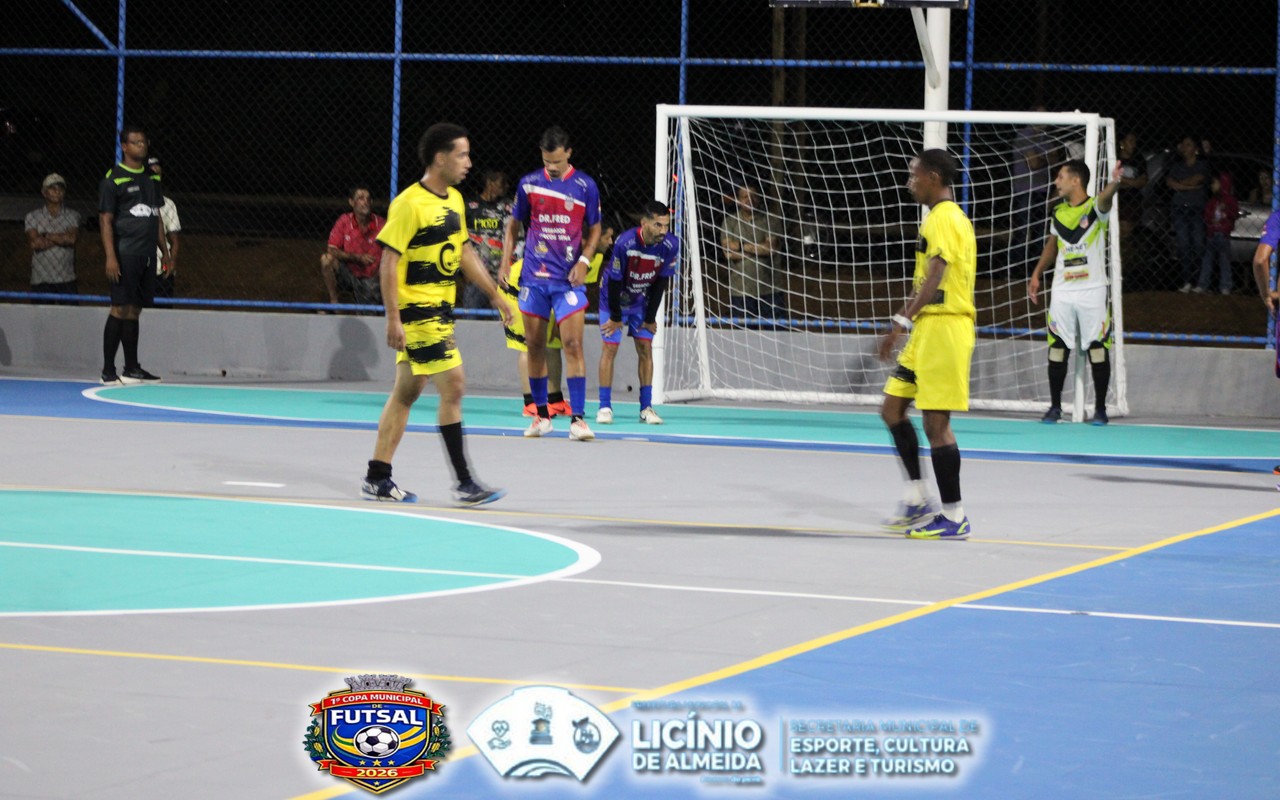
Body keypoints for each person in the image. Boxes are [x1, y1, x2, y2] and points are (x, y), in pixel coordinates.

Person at [361, 122, 511, 507]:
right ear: (440, 158)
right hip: (418, 313)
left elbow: (464, 253)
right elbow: (388, 262)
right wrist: (393, 318)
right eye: (462, 155)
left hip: (440, 312)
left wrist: (495, 295)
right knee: (454, 385)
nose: (468, 162)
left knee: (406, 392)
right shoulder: (409, 203)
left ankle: (377, 477)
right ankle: (465, 482)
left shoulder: (455, 200)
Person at [877, 149, 977, 540]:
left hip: (946, 328)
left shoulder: (945, 217)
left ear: (933, 177)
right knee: (892, 409)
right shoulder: (936, 217)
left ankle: (954, 516)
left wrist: (901, 321)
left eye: (913, 175)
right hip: (927, 330)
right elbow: (926, 281)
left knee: (937, 425)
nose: (909, 183)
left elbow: (937, 273)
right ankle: (918, 497)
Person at [500, 126, 603, 442]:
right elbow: (514, 225)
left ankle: (578, 420)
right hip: (533, 278)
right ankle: (541, 416)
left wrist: (584, 262)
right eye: (547, 161)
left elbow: (595, 229)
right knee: (534, 346)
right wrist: (505, 261)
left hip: (568, 281)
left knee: (573, 345)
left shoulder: (585, 186)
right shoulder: (529, 184)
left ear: (569, 153)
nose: (552, 167)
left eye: (557, 161)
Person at [1027, 160, 1123, 426]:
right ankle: (1055, 407)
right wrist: (1037, 273)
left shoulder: (1095, 209)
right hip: (1062, 291)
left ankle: (1100, 410)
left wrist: (1115, 182)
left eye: (1060, 177)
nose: (1056, 182)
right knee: (1057, 349)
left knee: (1097, 350)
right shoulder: (1058, 212)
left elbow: (1105, 198)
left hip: (1092, 290)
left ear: (1075, 180)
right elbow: (1052, 246)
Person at [596, 201, 678, 425]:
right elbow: (614, 281)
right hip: (612, 299)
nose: (663, 231)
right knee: (610, 349)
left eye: (666, 225)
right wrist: (615, 316)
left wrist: (650, 318)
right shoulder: (625, 242)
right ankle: (604, 407)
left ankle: (646, 408)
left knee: (645, 349)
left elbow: (661, 283)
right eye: (658, 225)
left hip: (640, 300)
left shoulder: (670, 245)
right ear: (644, 223)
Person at [99, 125, 164, 385]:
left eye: (144, 142)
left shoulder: (152, 177)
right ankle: (107, 371)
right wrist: (110, 256)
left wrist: (165, 251)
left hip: (147, 254)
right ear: (124, 147)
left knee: (134, 309)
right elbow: (105, 220)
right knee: (119, 308)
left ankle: (132, 368)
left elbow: (156, 215)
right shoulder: (113, 178)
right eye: (136, 142)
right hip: (125, 252)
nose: (141, 146)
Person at [721, 183, 786, 321]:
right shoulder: (730, 222)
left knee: (776, 331)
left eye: (753, 196)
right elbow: (728, 254)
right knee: (744, 332)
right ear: (738, 200)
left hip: (770, 289)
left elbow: (770, 249)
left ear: (759, 199)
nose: (749, 200)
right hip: (741, 291)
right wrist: (759, 249)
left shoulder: (770, 220)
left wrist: (740, 246)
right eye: (745, 197)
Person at [321, 185, 385, 308]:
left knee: (368, 311)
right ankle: (334, 301)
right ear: (351, 202)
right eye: (361, 198)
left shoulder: (381, 224)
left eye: (368, 199)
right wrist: (357, 257)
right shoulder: (344, 221)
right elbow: (332, 249)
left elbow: (391, 254)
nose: (365, 202)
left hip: (372, 277)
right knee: (326, 259)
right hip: (349, 273)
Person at [1009, 106, 1054, 273]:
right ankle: (1014, 272)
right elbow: (1034, 163)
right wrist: (1045, 158)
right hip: (1024, 190)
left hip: (1042, 191)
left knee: (1039, 233)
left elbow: (1056, 158)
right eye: (1041, 115)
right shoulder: (1023, 136)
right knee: (1022, 232)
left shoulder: (1045, 137)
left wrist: (1042, 158)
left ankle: (1034, 272)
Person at [24, 172, 81, 303]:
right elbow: (35, 243)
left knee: (69, 314)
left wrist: (45, 235)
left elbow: (72, 239)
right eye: (52, 188)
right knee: (41, 315)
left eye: (60, 188)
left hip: (67, 279)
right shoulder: (33, 216)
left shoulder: (73, 215)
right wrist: (62, 238)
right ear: (44, 192)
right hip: (41, 279)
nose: (57, 191)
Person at [1166, 136, 1213, 293]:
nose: (1184, 147)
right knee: (1183, 245)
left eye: (1188, 145)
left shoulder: (1202, 165)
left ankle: (1198, 281)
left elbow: (1196, 179)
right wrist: (1189, 187)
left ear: (1196, 149)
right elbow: (1170, 183)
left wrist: (1181, 184)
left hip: (1197, 208)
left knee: (1198, 244)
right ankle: (1187, 280)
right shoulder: (1177, 165)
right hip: (1179, 208)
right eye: (1183, 144)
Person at [463, 169, 513, 309]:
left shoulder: (508, 207)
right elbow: (460, 240)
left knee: (504, 316)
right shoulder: (470, 207)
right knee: (471, 316)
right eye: (502, 182)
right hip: (477, 274)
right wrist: (465, 270)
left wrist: (510, 267)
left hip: (501, 274)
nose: (507, 186)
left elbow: (517, 237)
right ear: (490, 183)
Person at [1196, 173, 1239, 295]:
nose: (1212, 186)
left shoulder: (1230, 200)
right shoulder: (1213, 200)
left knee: (1224, 261)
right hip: (1212, 233)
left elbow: (1234, 214)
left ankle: (1225, 285)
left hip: (1223, 234)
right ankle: (1203, 285)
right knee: (1207, 260)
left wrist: (1226, 211)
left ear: (1222, 184)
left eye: (1215, 183)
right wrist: (1210, 221)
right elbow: (1207, 214)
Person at [147, 156, 182, 299]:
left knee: (163, 306)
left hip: (162, 266)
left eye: (158, 173)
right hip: (140, 266)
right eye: (151, 173)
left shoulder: (168, 204)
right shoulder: (133, 200)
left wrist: (172, 261)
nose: (155, 177)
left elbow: (175, 240)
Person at [1115, 131, 1148, 252]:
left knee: (1128, 233)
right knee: (1118, 232)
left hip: (1133, 200)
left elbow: (1142, 182)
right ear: (1122, 143)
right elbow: (1112, 182)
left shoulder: (1139, 160)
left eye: (1134, 141)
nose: (1133, 144)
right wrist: (1132, 182)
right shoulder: (1114, 159)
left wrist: (1121, 179)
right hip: (1117, 200)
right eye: (1130, 141)